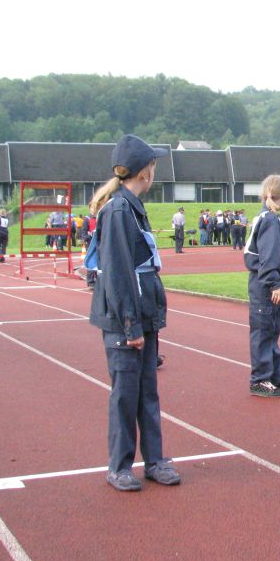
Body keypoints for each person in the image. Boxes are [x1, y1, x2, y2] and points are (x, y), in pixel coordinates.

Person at [88, 134, 180, 492]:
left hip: (144, 315)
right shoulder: (118, 212)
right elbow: (118, 274)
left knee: (148, 392)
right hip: (125, 320)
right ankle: (120, 466)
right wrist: (130, 326)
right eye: (154, 166)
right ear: (145, 172)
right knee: (126, 394)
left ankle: (155, 460)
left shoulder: (133, 209)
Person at [244, 175, 280, 398]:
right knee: (265, 332)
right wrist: (275, 284)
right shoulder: (270, 221)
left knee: (271, 331)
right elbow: (268, 256)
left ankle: (273, 377)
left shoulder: (265, 217)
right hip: (265, 285)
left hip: (263, 282)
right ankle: (261, 379)